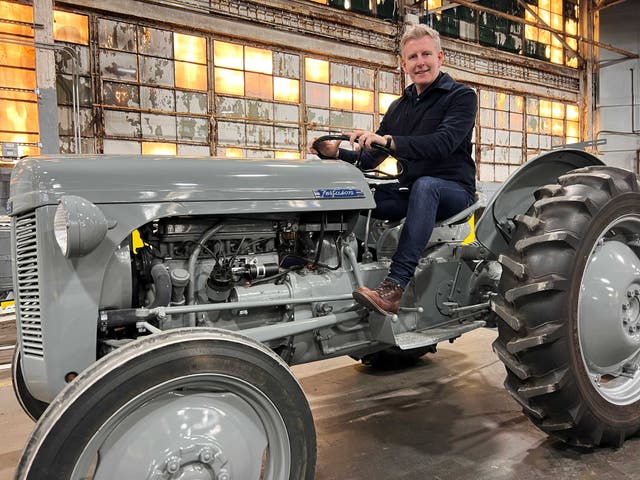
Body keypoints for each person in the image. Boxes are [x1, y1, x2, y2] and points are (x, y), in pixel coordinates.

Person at [310, 24, 477, 316]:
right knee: (357, 193)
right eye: (412, 57)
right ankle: (327, 267)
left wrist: (389, 141)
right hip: (412, 191)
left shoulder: (461, 96)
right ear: (403, 64)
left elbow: (443, 143)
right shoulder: (398, 107)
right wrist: (335, 153)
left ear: (440, 57)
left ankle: (394, 286)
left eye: (426, 54)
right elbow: (370, 160)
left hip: (453, 191)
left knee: (427, 185)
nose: (420, 62)